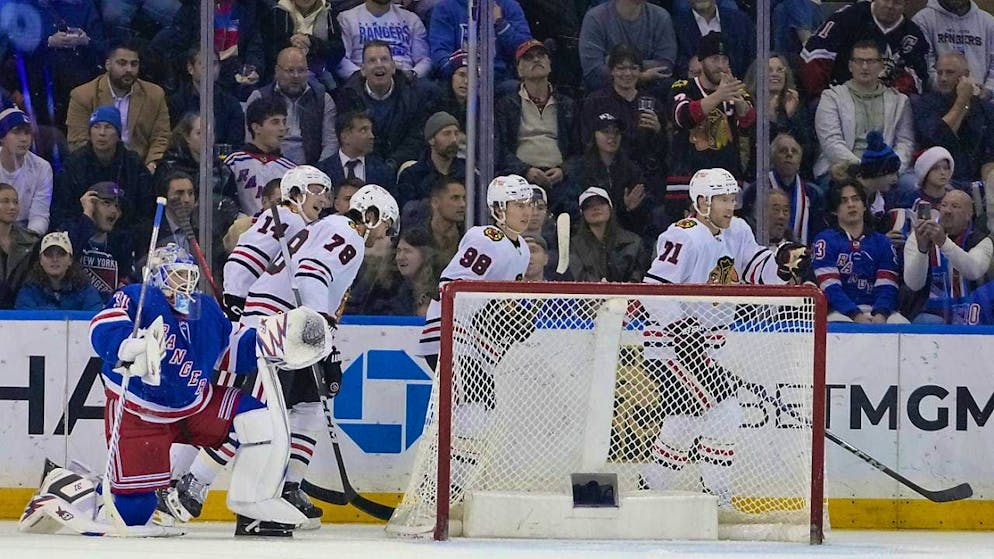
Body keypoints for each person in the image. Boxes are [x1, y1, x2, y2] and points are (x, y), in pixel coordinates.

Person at [32, 243, 331, 536]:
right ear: (157, 275)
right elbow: (103, 323)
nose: (186, 283)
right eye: (177, 275)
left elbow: (230, 349)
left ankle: (252, 502)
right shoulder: (138, 297)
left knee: (257, 418)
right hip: (141, 412)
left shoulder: (205, 310)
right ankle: (69, 486)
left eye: (189, 275)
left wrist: (271, 342)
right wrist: (124, 344)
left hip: (196, 405)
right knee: (133, 514)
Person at [161, 184, 399, 530]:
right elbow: (311, 275)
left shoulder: (329, 227)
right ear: (371, 216)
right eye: (387, 226)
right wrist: (320, 340)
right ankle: (192, 484)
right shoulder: (348, 234)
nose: (386, 236)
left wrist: (319, 337)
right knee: (255, 415)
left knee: (308, 406)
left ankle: (285, 487)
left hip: (289, 326)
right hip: (278, 328)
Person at [638, 167, 808, 507]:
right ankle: (718, 496)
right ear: (701, 203)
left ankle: (650, 488)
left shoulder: (738, 230)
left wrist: (781, 265)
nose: (730, 206)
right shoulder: (682, 235)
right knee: (727, 411)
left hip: (704, 347)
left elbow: (756, 270)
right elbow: (653, 289)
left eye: (732, 199)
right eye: (721, 200)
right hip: (671, 347)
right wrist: (680, 329)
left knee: (684, 422)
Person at [416, 174, 534, 371]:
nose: (527, 212)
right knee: (473, 402)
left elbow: (505, 303)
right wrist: (490, 314)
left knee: (482, 401)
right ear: (499, 210)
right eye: (519, 205)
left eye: (529, 204)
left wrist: (512, 315)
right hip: (451, 335)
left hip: (477, 346)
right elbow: (449, 286)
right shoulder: (486, 239)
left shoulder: (524, 249)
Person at [222, 166, 331, 320]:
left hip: (234, 284)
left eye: (324, 193)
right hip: (250, 294)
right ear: (295, 193)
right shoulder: (296, 223)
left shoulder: (272, 213)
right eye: (315, 190)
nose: (322, 199)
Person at [813, 41, 915, 182]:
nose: (865, 67)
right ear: (850, 66)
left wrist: (890, 169)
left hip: (886, 171)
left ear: (881, 66)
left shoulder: (900, 101)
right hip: (842, 169)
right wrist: (864, 170)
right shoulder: (831, 97)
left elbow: (905, 143)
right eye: (859, 61)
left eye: (871, 61)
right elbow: (831, 142)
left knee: (909, 185)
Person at [66, 40, 172, 170]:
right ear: (108, 65)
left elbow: (161, 137)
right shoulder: (82, 95)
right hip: (96, 167)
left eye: (134, 64)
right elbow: (77, 141)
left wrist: (152, 164)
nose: (129, 69)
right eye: (122, 63)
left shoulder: (155, 95)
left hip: (141, 168)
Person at [812, 180, 905, 323]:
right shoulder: (824, 241)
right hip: (838, 312)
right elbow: (830, 286)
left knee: (902, 325)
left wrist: (881, 314)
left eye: (856, 199)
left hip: (879, 311)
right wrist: (855, 315)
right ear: (834, 210)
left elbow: (888, 284)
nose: (851, 205)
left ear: (864, 206)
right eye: (844, 201)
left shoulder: (882, 242)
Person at [495, 40, 576, 204]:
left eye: (541, 55)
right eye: (529, 58)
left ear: (550, 64)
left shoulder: (567, 104)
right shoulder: (506, 105)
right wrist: (525, 170)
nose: (536, 60)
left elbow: (580, 150)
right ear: (519, 70)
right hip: (520, 178)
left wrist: (564, 170)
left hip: (561, 179)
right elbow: (500, 149)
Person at [53, 106, 154, 232]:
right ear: (90, 133)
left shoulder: (133, 163)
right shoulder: (74, 163)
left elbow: (146, 209)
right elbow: (62, 211)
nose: (102, 133)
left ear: (118, 135)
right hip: (82, 235)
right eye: (96, 127)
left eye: (108, 127)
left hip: (125, 235)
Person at [799, 0, 929, 99]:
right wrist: (824, 95)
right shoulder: (849, 17)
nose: (890, 6)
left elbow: (918, 77)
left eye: (897, 2)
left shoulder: (913, 35)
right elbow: (814, 54)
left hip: (887, 103)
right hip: (839, 95)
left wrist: (889, 98)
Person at [580, 44, 667, 189]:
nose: (627, 74)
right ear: (611, 71)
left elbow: (664, 150)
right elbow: (585, 142)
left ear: (640, 71)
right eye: (621, 68)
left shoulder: (652, 103)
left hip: (647, 175)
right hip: (607, 175)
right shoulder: (596, 101)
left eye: (633, 68)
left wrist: (658, 130)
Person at [670, 32, 755, 179]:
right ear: (701, 61)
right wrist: (719, 95)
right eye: (715, 59)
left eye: (724, 59)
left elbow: (751, 127)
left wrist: (739, 102)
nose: (720, 65)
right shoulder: (683, 87)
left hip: (727, 178)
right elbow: (682, 116)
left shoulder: (736, 91)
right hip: (687, 179)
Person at [903, 189, 992, 324]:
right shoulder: (918, 236)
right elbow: (913, 284)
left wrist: (943, 243)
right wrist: (922, 250)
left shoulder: (982, 240)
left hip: (973, 314)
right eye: (944, 205)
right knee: (928, 321)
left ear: (969, 214)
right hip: (928, 313)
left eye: (955, 206)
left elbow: (974, 271)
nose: (947, 211)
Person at [337, 40, 427, 172]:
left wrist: (394, 162)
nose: (379, 65)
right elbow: (350, 139)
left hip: (401, 163)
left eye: (384, 59)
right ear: (362, 69)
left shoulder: (412, 94)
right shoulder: (348, 96)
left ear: (393, 66)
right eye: (372, 61)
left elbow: (415, 138)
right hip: (364, 163)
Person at [912, 52, 994, 188]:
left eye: (949, 73)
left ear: (966, 75)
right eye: (939, 73)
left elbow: (990, 154)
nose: (943, 78)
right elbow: (938, 139)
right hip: (937, 179)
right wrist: (961, 101)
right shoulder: (925, 104)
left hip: (977, 179)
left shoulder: (985, 109)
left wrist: (987, 186)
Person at [246, 47, 339, 166]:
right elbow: (251, 142)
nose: (296, 76)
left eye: (301, 70)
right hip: (269, 167)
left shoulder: (322, 99)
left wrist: (316, 172)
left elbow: (330, 143)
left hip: (311, 170)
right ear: (277, 71)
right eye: (290, 70)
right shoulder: (259, 97)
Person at [739, 133, 825, 245]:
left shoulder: (813, 194)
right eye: (783, 151)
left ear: (799, 162)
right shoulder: (756, 190)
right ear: (772, 159)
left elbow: (818, 231)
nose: (789, 154)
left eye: (794, 151)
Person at [578, 0, 677, 92]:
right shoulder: (595, 18)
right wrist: (641, 76)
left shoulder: (661, 16)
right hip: (606, 94)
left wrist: (612, 62)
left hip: (651, 93)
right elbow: (593, 72)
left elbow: (666, 65)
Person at [743, 54, 814, 177]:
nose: (775, 74)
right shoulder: (747, 106)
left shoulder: (796, 105)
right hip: (758, 177)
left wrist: (789, 116)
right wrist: (772, 118)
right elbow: (759, 150)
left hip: (795, 176)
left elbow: (807, 150)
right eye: (769, 70)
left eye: (780, 70)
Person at [225, 97, 297, 217]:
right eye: (275, 122)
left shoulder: (291, 170)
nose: (282, 128)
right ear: (256, 128)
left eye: (284, 122)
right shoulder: (234, 162)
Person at [429, 0, 531, 84]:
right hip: (458, 78)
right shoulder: (445, 7)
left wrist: (500, 23)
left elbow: (525, 49)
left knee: (512, 87)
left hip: (498, 78)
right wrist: (458, 71)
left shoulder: (508, 5)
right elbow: (440, 53)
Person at [64, 182, 135, 300]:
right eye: (106, 203)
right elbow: (69, 256)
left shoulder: (121, 242)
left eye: (117, 206)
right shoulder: (71, 232)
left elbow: (126, 277)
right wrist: (87, 215)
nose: (113, 211)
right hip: (76, 310)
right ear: (91, 204)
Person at [913, 0, 994, 98]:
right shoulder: (923, 20)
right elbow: (924, 68)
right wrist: (951, 90)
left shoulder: (988, 22)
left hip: (982, 101)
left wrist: (987, 91)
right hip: (938, 102)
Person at [167, 48, 246, 148]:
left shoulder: (231, 103)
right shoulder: (176, 102)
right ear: (190, 68)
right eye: (203, 64)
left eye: (214, 64)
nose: (210, 69)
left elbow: (236, 143)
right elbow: (175, 139)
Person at [337, 0, 432, 81]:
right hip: (363, 82)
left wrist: (412, 74)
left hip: (406, 82)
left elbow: (424, 60)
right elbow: (341, 62)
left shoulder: (412, 19)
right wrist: (364, 75)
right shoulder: (347, 19)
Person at [568, 186, 647, 283]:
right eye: (588, 205)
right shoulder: (575, 245)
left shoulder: (634, 242)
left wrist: (622, 288)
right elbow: (578, 275)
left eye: (601, 203)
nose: (596, 208)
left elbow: (638, 274)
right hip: (590, 296)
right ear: (582, 213)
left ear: (610, 208)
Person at [267, 0, 345, 91]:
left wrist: (311, 42)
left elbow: (339, 50)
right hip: (288, 71)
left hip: (321, 69)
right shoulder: (278, 12)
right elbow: (271, 50)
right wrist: (292, 43)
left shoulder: (328, 12)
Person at [15, 232, 103, 311]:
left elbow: (95, 316)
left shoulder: (86, 290)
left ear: (70, 260)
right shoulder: (29, 291)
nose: (55, 259)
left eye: (61, 254)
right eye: (48, 254)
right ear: (41, 260)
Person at [396, 111, 467, 210]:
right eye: (447, 134)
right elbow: (409, 213)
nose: (454, 139)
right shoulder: (412, 176)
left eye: (456, 133)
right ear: (431, 140)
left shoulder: (468, 173)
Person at [0, 107, 53, 235]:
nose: (24, 139)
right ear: (2, 137)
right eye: (16, 132)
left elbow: (40, 215)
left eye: (27, 132)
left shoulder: (42, 168)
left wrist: (26, 242)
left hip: (25, 231)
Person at [674, 0, 755, 80]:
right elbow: (677, 63)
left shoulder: (740, 20)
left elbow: (753, 57)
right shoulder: (677, 25)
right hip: (694, 88)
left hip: (738, 85)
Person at [317, 110, 394, 189]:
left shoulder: (383, 170)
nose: (371, 136)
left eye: (371, 130)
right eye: (363, 130)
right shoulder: (322, 171)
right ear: (345, 137)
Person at [0, 183, 40, 308]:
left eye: (15, 202)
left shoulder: (32, 241)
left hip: (21, 309)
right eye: (5, 201)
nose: (12, 207)